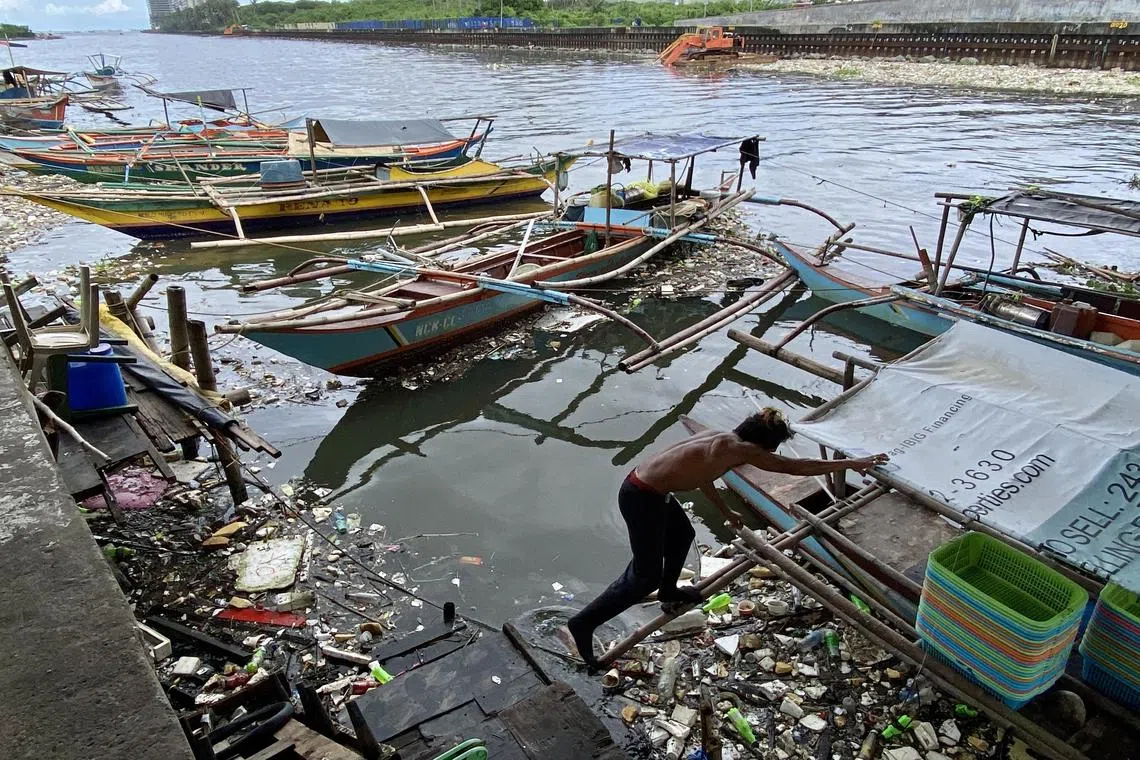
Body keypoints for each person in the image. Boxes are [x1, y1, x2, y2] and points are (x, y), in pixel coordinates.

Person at [566, 408, 888, 671]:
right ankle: (583, 623)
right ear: (761, 444)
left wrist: (725, 512)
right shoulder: (741, 449)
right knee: (642, 575)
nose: (769, 456)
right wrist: (852, 462)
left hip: (648, 489)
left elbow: (704, 476)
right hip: (642, 497)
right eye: (770, 449)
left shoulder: (721, 438)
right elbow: (796, 466)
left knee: (683, 535)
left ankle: (668, 590)